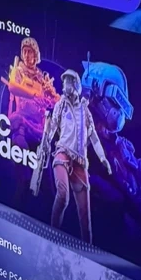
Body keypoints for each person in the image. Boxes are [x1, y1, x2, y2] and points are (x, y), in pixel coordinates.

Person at [31, 68, 111, 243]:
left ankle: (87, 251)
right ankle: (52, 238)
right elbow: (52, 127)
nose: (66, 84)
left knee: (85, 215)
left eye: (70, 81)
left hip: (80, 162)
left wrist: (102, 157)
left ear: (76, 85)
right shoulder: (61, 106)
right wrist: (46, 142)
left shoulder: (85, 111)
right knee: (63, 195)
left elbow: (93, 137)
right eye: (65, 81)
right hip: (62, 154)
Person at [0, 36, 57, 147]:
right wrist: (33, 94)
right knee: (20, 143)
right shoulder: (18, 71)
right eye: (24, 51)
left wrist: (51, 94)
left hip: (40, 126)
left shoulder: (41, 77)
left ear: (35, 54)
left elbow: (53, 102)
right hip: (22, 121)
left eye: (29, 52)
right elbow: (12, 86)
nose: (26, 55)